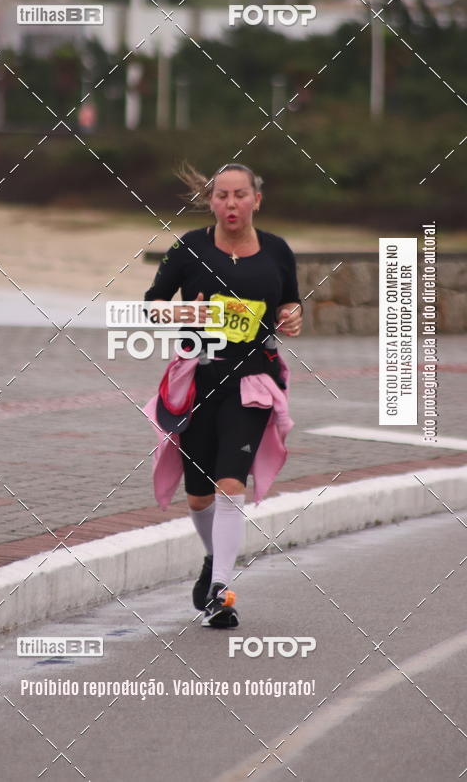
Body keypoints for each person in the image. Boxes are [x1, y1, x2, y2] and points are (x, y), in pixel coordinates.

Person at [144, 162, 302, 628]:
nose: (230, 204)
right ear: (210, 201)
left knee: (230, 485)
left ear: (257, 199)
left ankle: (220, 591)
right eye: (221, 196)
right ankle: (214, 559)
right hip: (198, 382)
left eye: (240, 195)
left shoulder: (277, 250)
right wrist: (179, 312)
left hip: (252, 383)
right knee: (198, 497)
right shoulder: (188, 247)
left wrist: (292, 317)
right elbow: (152, 303)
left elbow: (289, 302)